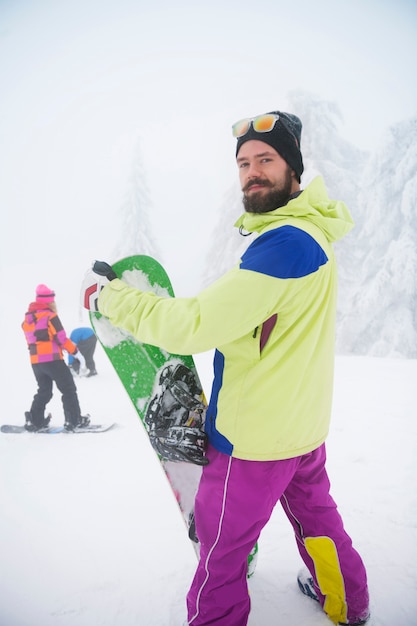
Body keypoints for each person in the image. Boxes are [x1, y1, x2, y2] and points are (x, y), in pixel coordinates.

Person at [81, 110, 370, 626]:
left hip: (254, 442)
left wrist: (112, 300)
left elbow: (193, 325)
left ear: (293, 169)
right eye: (244, 163)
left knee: (221, 551)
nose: (253, 171)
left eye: (266, 159)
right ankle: (348, 602)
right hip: (301, 430)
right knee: (318, 520)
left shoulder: (282, 247)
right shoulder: (313, 235)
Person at [22, 284, 91, 431]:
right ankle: (73, 420)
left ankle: (35, 420)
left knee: (44, 390)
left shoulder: (27, 320)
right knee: (68, 389)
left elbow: (32, 342)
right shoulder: (50, 317)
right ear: (49, 302)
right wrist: (76, 352)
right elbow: (62, 338)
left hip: (36, 362)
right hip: (53, 360)